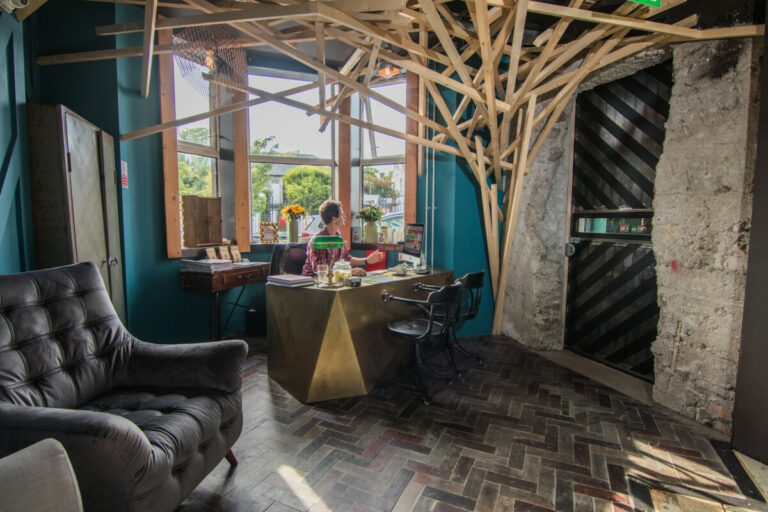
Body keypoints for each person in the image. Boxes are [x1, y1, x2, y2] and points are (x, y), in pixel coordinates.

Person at [302, 199, 384, 277]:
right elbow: (319, 270)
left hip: (333, 281)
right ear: (334, 218)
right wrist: (348, 272)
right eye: (341, 214)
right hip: (311, 283)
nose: (344, 216)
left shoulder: (339, 237)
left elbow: (346, 259)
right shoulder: (318, 240)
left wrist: (367, 260)